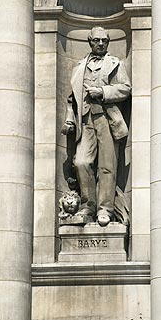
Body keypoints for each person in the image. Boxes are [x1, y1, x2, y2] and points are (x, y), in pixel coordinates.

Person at [62, 26, 131, 226]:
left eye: (104, 41)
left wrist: (102, 91)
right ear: (90, 41)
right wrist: (69, 119)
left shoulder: (115, 64)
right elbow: (71, 99)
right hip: (85, 121)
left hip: (107, 120)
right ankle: (87, 206)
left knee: (107, 166)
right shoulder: (79, 66)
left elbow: (125, 88)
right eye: (97, 40)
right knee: (81, 162)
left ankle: (105, 209)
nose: (100, 44)